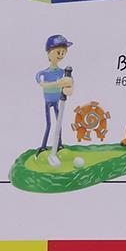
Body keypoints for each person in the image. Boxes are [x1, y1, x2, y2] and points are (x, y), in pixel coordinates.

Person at [35, 34, 74, 166]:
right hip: (48, 101)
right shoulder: (43, 73)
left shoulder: (62, 72)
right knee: (49, 124)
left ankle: (59, 145)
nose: (61, 55)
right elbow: (43, 84)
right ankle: (43, 147)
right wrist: (58, 84)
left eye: (63, 52)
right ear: (49, 53)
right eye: (58, 52)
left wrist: (69, 86)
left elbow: (69, 83)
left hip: (58, 101)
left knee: (59, 123)